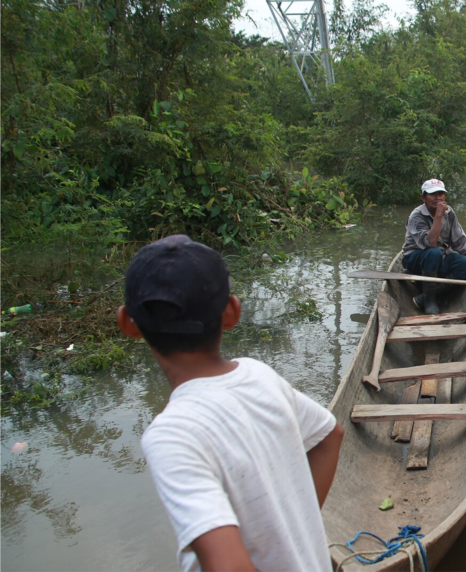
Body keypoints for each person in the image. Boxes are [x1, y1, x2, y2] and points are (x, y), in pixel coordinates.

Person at [116, 235, 344, 572]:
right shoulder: (260, 376)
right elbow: (330, 437)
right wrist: (296, 533)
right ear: (232, 312)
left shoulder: (172, 435)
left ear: (128, 324)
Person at [403, 179, 466, 314]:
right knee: (433, 252)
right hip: (416, 259)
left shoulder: (449, 213)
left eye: (441, 194)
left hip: (439, 257)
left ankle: (427, 295)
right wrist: (438, 216)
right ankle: (429, 300)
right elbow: (431, 243)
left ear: (445, 196)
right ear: (423, 198)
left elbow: (460, 239)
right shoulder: (416, 216)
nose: (438, 198)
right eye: (433, 194)